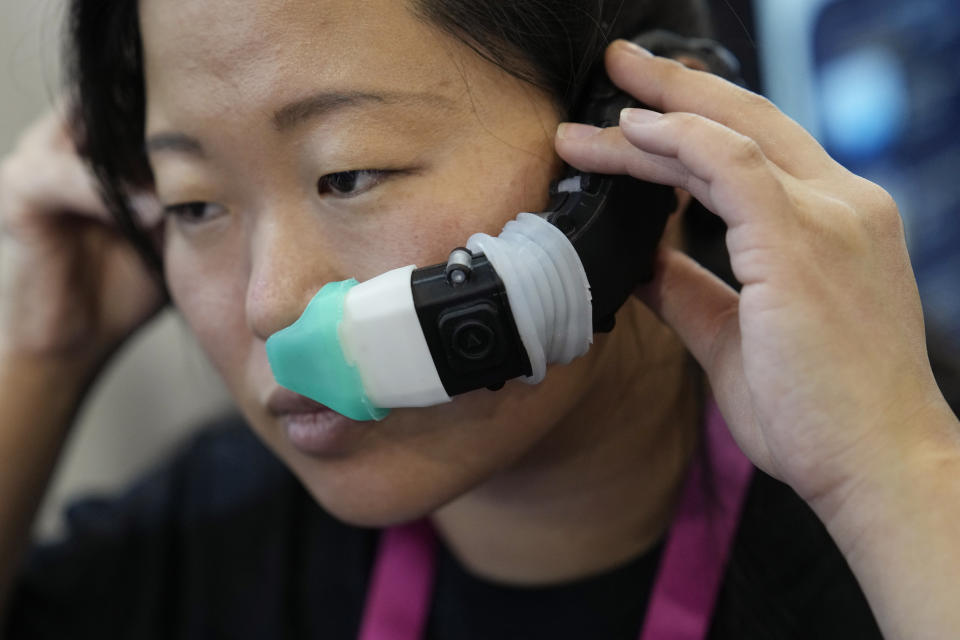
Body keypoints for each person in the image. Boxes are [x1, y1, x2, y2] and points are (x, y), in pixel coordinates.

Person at [0, 0, 958, 638]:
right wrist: (37, 352)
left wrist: (892, 475)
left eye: (349, 173)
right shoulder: (201, 541)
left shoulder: (907, 493)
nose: (266, 303)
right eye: (192, 203)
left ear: (640, 143)